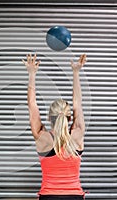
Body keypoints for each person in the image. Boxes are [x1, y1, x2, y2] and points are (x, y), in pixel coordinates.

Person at [22, 53, 87, 200]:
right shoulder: (77, 134)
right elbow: (78, 104)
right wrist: (76, 72)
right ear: (70, 117)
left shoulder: (42, 137)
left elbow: (32, 105)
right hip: (74, 197)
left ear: (48, 118)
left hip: (49, 197)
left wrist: (32, 74)